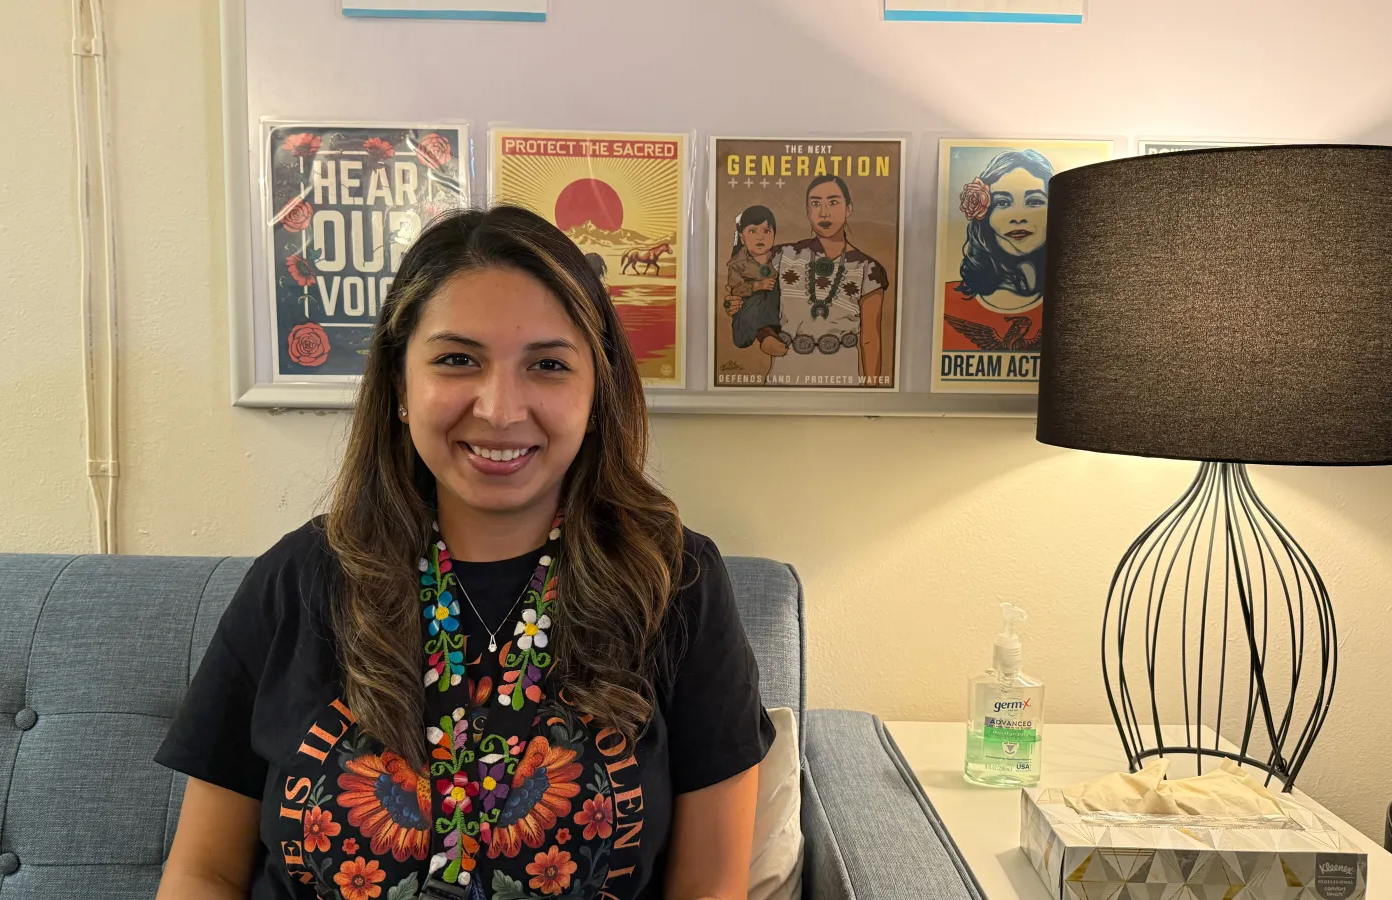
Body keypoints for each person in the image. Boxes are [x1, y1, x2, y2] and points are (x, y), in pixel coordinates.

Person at [155, 206, 774, 900]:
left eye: (547, 364)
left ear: (597, 389)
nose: (501, 409)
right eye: (457, 360)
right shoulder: (299, 578)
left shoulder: (675, 583)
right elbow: (202, 872)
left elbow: (710, 887)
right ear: (398, 387)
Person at [728, 176, 889, 383]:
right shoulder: (782, 256)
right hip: (785, 373)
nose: (824, 212)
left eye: (833, 202)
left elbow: (870, 339)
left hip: (842, 377)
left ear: (849, 208)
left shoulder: (869, 269)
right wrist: (764, 336)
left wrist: (872, 394)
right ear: (807, 211)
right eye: (815, 203)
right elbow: (756, 303)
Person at [940, 149, 1055, 354]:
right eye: (1002, 203)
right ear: (984, 215)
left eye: (1034, 201)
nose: (1018, 217)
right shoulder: (949, 300)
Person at [724, 205, 782, 350]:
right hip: (749, 310)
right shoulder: (737, 264)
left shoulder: (781, 256)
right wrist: (756, 286)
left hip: (776, 309)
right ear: (742, 238)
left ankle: (773, 335)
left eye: (767, 231)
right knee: (756, 300)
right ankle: (765, 336)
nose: (760, 236)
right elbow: (735, 289)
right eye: (752, 231)